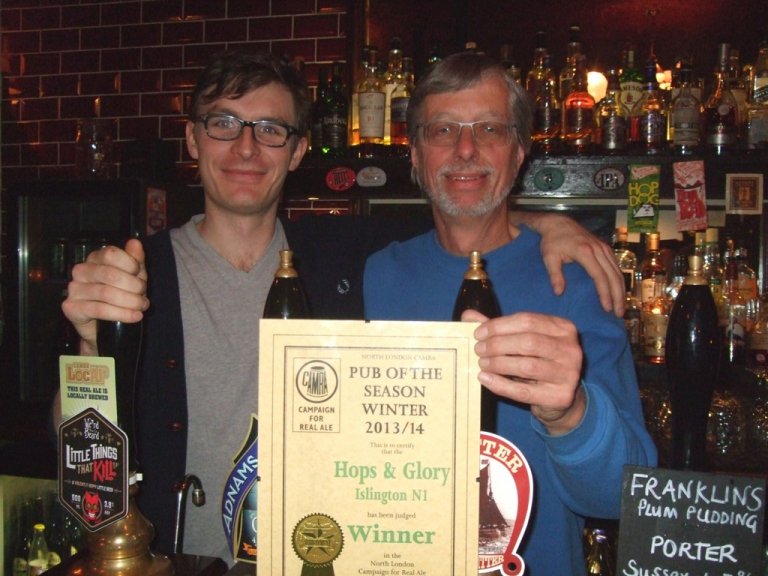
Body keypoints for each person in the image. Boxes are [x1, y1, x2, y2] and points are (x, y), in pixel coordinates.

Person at [60, 50, 628, 565]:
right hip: (187, 563)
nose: (246, 147)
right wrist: (91, 346)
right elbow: (81, 464)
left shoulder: (345, 258)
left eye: (271, 129)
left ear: (299, 149)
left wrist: (551, 224)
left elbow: (466, 212)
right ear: (192, 140)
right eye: (224, 123)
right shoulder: (139, 274)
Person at [363, 52, 657, 575]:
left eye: (491, 129)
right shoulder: (374, 274)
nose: (466, 148)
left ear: (519, 153)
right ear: (413, 154)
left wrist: (571, 415)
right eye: (443, 129)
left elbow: (623, 495)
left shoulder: (575, 279)